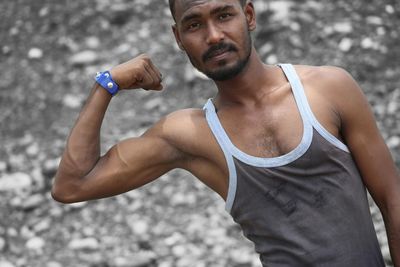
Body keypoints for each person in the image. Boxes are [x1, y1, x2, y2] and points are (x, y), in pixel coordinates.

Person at [52, 0, 400, 266]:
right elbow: (72, 185)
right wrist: (106, 85)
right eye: (194, 24)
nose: (214, 36)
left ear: (248, 15)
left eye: (224, 15)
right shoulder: (190, 134)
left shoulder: (327, 88)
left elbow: (392, 198)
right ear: (179, 38)